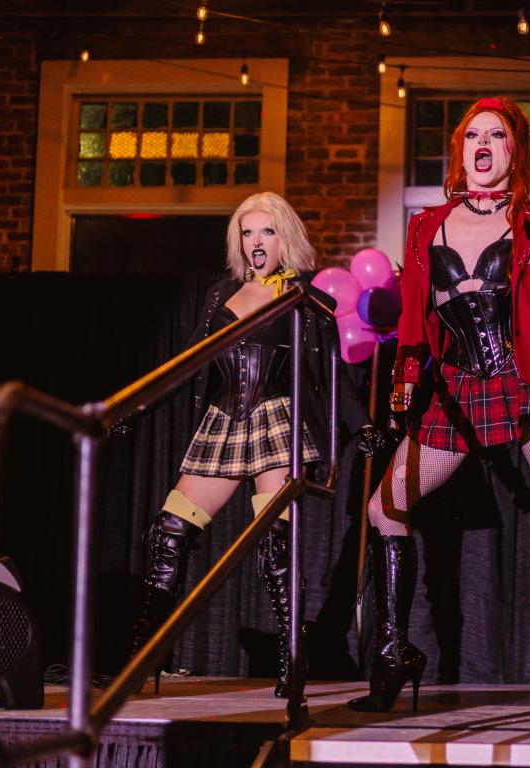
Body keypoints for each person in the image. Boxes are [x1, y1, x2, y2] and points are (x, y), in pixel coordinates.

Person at [347, 97, 530, 714]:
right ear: (461, 150)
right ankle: (394, 654)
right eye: (472, 136)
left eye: (496, 135)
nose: (483, 145)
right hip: (455, 387)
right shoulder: (425, 226)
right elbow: (414, 318)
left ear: (515, 150)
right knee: (384, 508)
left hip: (527, 380)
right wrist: (404, 381)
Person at [130, 191, 382, 698]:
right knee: (168, 532)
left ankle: (293, 661)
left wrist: (361, 426)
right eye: (247, 233)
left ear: (284, 237)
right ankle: (143, 655)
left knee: (276, 544)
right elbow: (186, 362)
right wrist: (138, 407)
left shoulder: (303, 299)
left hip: (276, 421)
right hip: (224, 422)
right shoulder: (219, 295)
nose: (256, 241)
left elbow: (331, 373)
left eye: (266, 231)